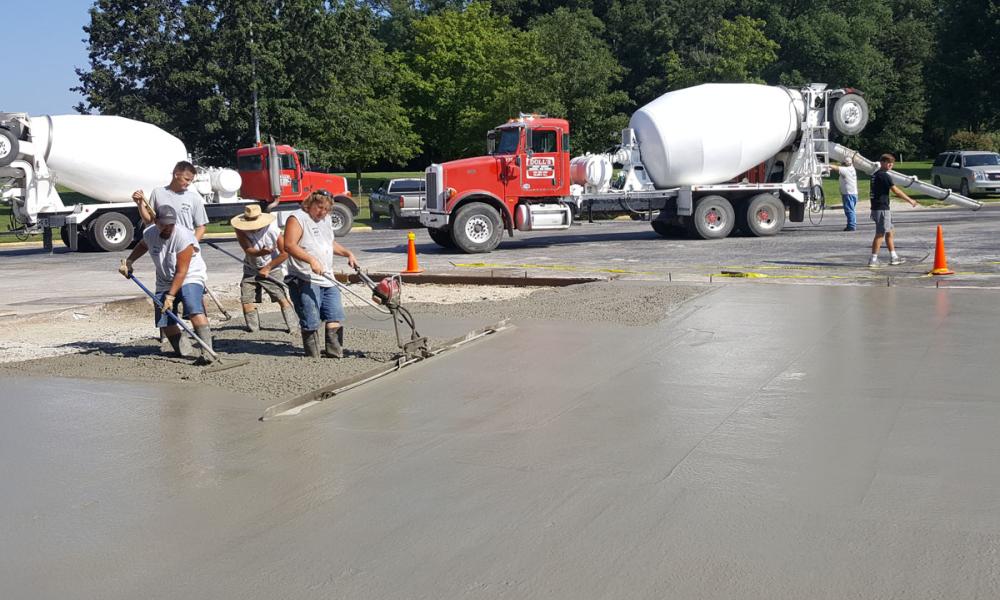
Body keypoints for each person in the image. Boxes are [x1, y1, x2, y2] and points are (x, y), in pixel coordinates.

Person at [118, 205, 215, 363]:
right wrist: (129, 262)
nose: (168, 227)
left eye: (171, 224)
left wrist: (170, 296)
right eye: (164, 224)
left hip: (190, 275)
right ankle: (184, 350)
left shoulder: (183, 237)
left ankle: (208, 353)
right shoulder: (150, 233)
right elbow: (143, 245)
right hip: (165, 279)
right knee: (163, 317)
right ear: (156, 221)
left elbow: (181, 271)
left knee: (192, 307)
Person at [284, 192, 358, 358]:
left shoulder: (325, 220)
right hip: (304, 277)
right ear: (310, 203)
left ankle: (334, 353)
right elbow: (289, 245)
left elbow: (329, 243)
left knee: (334, 315)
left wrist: (347, 253)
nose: (323, 212)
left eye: (327, 209)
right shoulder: (297, 218)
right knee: (310, 319)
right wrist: (311, 260)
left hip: (327, 276)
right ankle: (313, 358)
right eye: (319, 208)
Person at [230, 205, 298, 333]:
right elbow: (248, 249)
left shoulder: (273, 230)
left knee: (280, 296)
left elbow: (285, 253)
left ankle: (294, 327)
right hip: (251, 268)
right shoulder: (240, 229)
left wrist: (267, 268)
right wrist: (261, 252)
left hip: (273, 267)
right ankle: (253, 329)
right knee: (246, 299)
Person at [132, 160, 208, 241]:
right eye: (186, 179)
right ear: (176, 175)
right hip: (164, 245)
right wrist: (140, 204)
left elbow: (201, 227)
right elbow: (149, 221)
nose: (189, 183)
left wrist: (192, 246)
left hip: (185, 246)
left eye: (191, 180)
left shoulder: (194, 198)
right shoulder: (157, 193)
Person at [869, 153, 919, 267]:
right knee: (880, 234)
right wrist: (910, 200)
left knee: (890, 232)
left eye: (891, 163)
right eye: (888, 162)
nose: (890, 164)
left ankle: (894, 257)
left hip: (880, 207)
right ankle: (873, 259)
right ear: (882, 163)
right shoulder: (883, 175)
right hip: (881, 208)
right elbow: (896, 190)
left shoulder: (875, 174)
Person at [829, 160, 858, 231]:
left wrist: (827, 164)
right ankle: (852, 224)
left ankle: (851, 226)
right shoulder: (852, 168)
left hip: (848, 193)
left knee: (849, 210)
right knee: (851, 210)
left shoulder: (845, 170)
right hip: (853, 193)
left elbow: (835, 167)